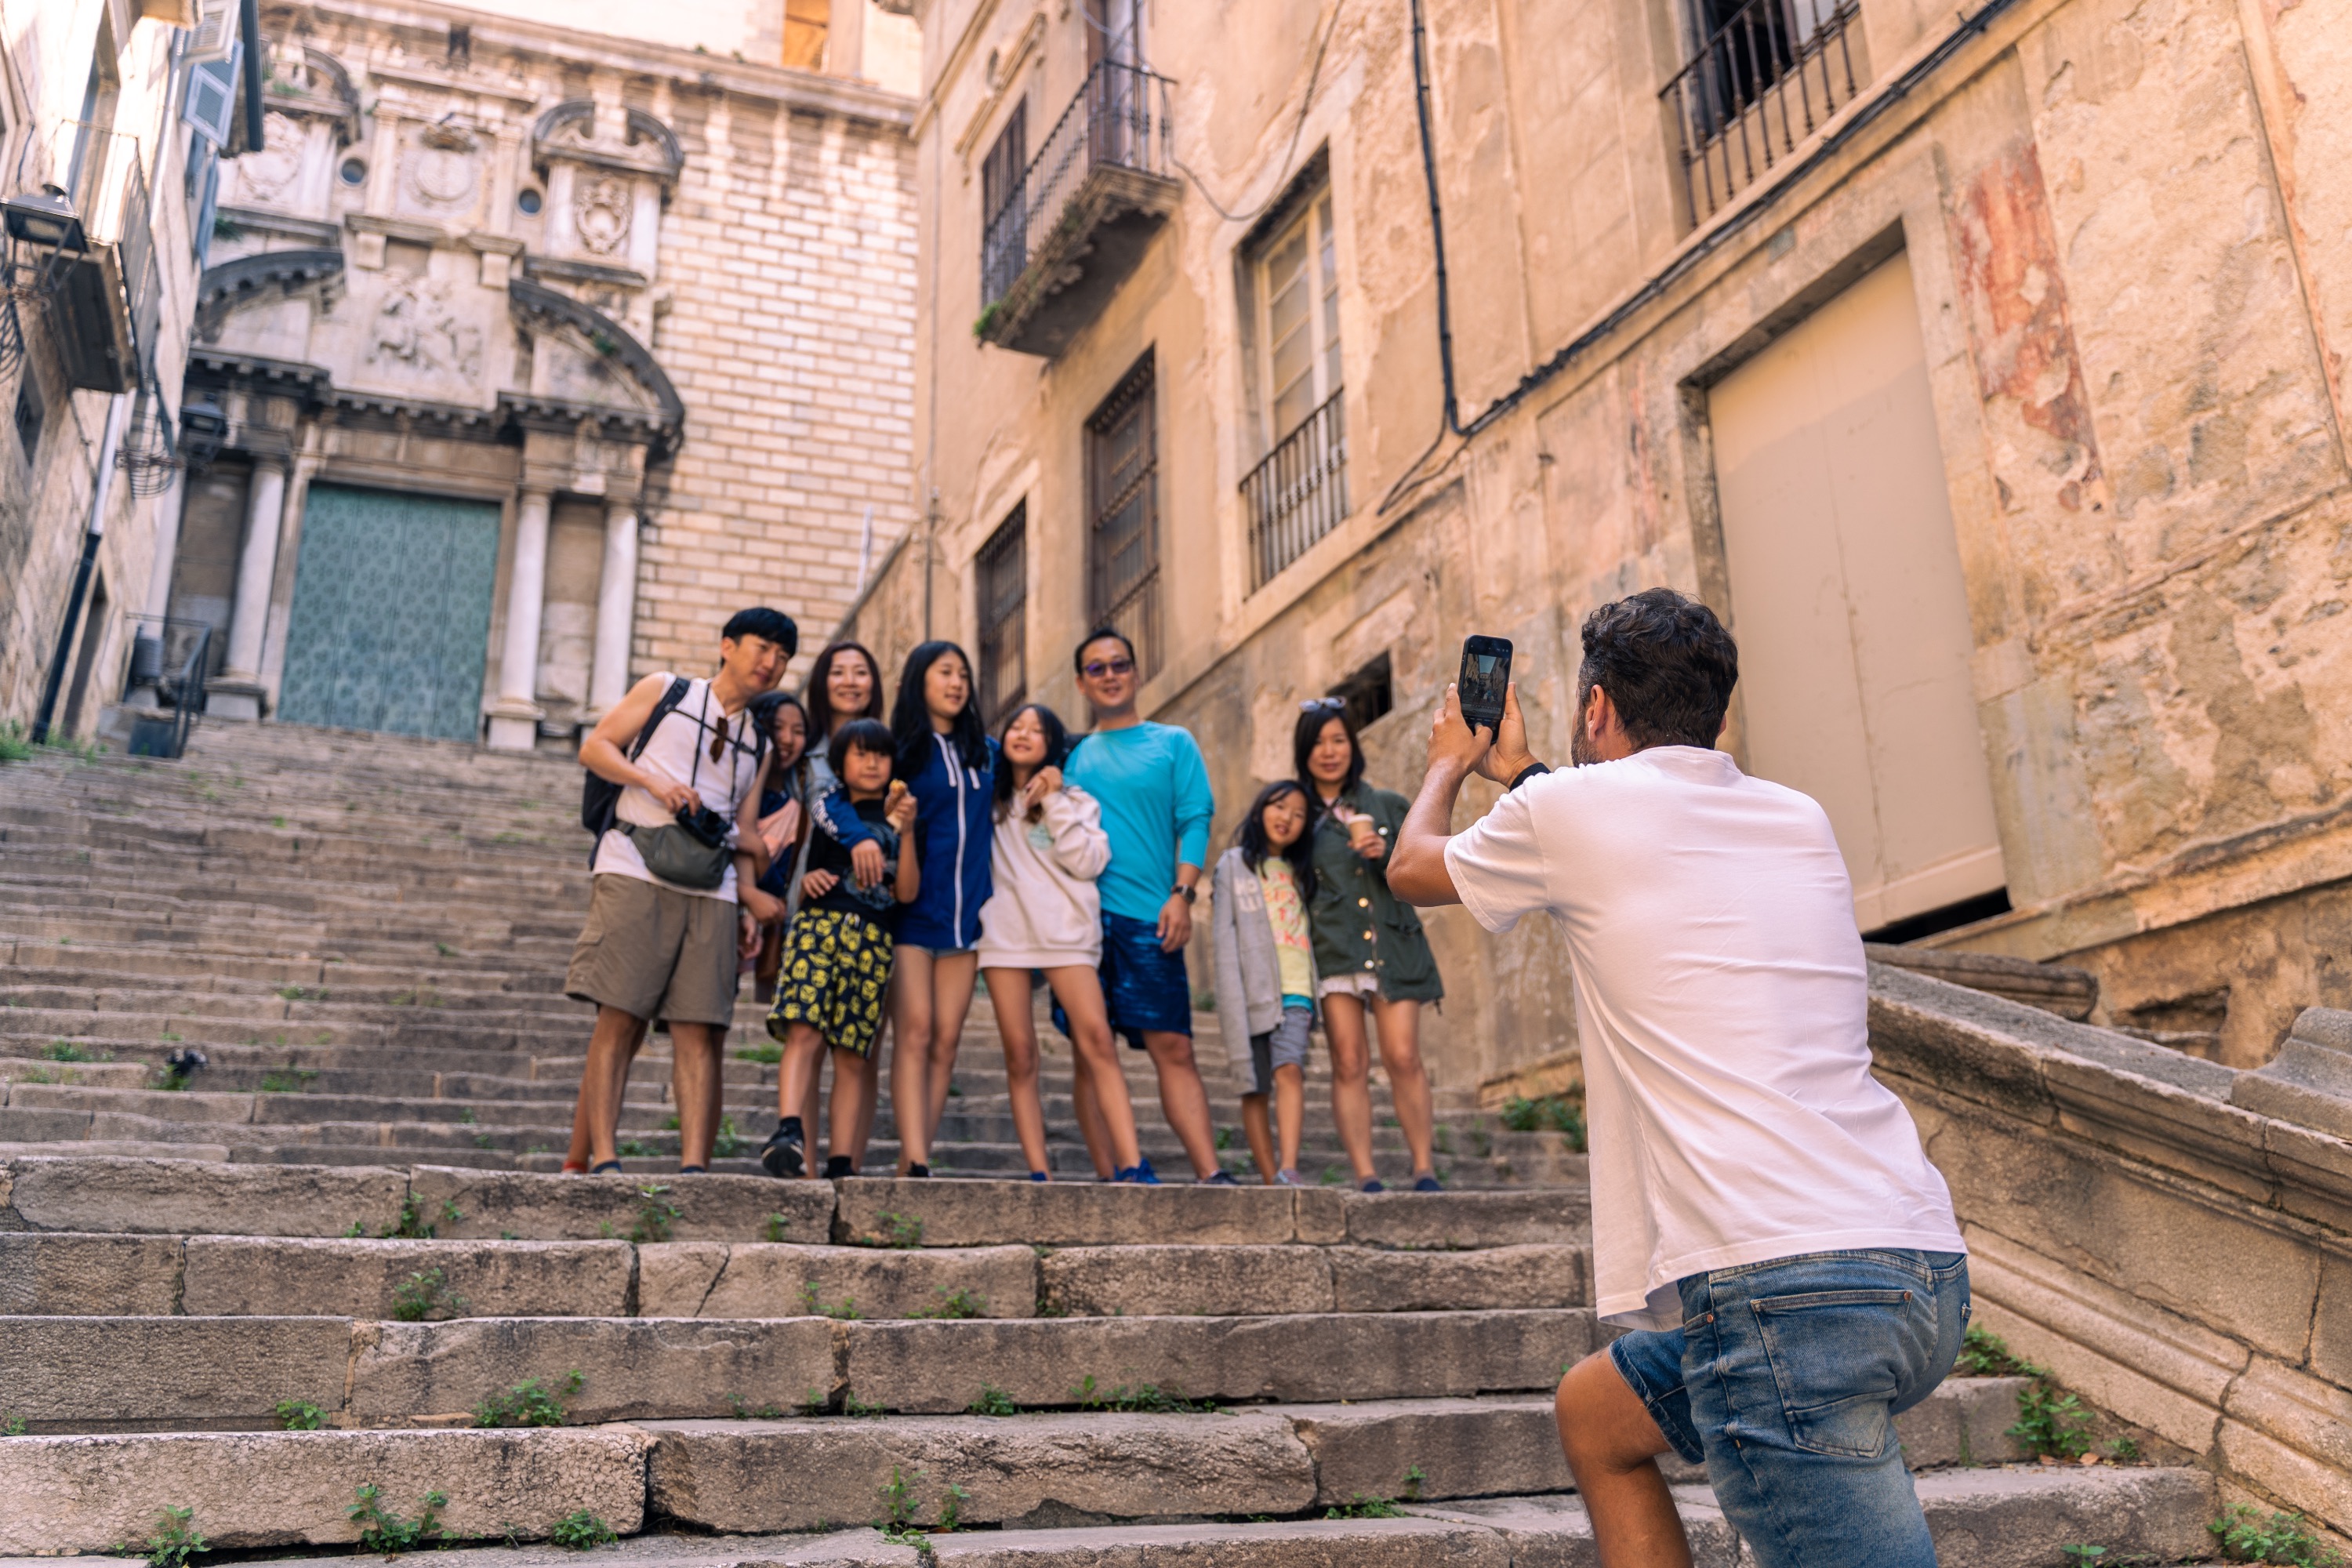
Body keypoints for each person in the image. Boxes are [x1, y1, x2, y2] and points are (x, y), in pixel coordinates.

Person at [1383, 588, 1968, 1568]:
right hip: (1918, 1269)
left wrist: (1452, 758)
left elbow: (1411, 865)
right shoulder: (1798, 814)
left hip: (1782, 1291)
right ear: (1721, 716)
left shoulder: (1571, 809)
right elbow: (1622, 838)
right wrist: (1528, 773)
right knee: (1597, 1413)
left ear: (1598, 707)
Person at [563, 606, 795, 1174]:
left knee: (700, 1025)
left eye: (783, 657)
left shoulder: (758, 743)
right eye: (761, 648)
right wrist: (654, 781)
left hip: (711, 885)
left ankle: (694, 1169)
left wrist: (746, 893)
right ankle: (606, 1158)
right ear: (727, 646)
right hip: (634, 864)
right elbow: (595, 748)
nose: (771, 663)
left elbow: (741, 828)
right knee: (619, 1014)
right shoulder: (666, 691)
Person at [1060, 628, 1227, 1184]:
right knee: (1091, 1051)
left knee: (1174, 1047)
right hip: (1082, 926)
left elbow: (1195, 819)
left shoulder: (1173, 742)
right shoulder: (1073, 758)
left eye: (1119, 665)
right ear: (1082, 683)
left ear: (1135, 672)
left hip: (1150, 916)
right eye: (1097, 668)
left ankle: (1210, 1174)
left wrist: (1182, 894)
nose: (1110, 675)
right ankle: (1114, 1176)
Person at [974, 702, 1147, 1181]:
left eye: (1037, 729)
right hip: (1005, 937)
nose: (1024, 734)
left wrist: (1050, 801)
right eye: (1016, 726)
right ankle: (1039, 1172)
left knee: (1097, 1041)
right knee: (1020, 1052)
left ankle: (1131, 1164)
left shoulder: (1075, 799)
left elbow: (1089, 862)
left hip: (1067, 937)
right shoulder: (985, 800)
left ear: (1052, 745)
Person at [1295, 699, 1445, 1192]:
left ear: (1352, 746)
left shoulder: (1385, 805)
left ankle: (1424, 1167)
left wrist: (1387, 856)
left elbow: (1426, 873)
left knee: (1402, 1056)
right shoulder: (1297, 815)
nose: (1329, 751)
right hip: (1333, 950)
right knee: (1349, 1061)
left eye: (1338, 740)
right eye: (1318, 742)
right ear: (1304, 751)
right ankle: (1365, 1173)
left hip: (1393, 944)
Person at [760, 719, 919, 1179]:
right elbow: (824, 823)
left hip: (873, 938)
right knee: (804, 1031)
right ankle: (788, 1131)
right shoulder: (830, 804)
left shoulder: (904, 814)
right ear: (839, 764)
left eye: (881, 755)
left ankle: (843, 1162)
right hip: (820, 927)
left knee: (853, 1053)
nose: (872, 763)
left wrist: (906, 832)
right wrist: (815, 875)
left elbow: (907, 892)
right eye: (860, 753)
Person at [880, 641, 996, 1178]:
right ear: (920, 681)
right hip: (913, 913)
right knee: (917, 1030)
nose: (956, 683)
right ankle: (918, 1157)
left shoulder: (985, 752)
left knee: (946, 1039)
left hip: (967, 917)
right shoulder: (902, 751)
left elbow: (1043, 753)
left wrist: (1053, 774)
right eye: (944, 672)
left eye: (963, 674)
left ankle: (912, 1161)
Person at [791, 641, 888, 1169]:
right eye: (838, 672)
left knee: (860, 1041)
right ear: (822, 682)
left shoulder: (889, 750)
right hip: (814, 905)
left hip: (877, 916)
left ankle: (848, 1158)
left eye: (861, 672)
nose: (850, 682)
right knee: (806, 1030)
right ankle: (803, 1160)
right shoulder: (804, 753)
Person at [1210, 781, 1318, 1187]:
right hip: (1251, 994)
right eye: (1279, 807)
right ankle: (1270, 1178)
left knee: (1289, 1070)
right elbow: (1223, 942)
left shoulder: (1301, 873)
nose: (1286, 818)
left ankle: (1288, 1167)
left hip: (1297, 991)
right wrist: (1230, 1001)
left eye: (1298, 814)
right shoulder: (1233, 864)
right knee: (1253, 1086)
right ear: (1259, 810)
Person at [746, 691, 811, 1005]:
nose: (787, 739)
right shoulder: (728, 789)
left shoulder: (794, 813)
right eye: (777, 728)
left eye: (798, 732)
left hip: (758, 932)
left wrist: (758, 852)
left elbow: (778, 886)